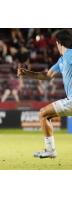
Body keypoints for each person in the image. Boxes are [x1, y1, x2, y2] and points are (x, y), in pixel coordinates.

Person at [17, 29, 72, 159]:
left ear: (59, 43)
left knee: (43, 113)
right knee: (44, 114)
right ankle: (50, 150)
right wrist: (27, 73)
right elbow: (47, 76)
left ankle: (50, 150)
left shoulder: (70, 55)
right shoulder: (62, 60)